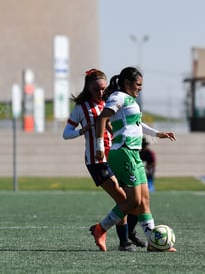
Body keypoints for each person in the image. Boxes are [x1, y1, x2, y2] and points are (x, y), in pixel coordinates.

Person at [90, 66, 177, 252]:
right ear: (127, 83)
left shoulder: (130, 101)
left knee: (144, 200)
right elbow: (101, 119)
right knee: (133, 202)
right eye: (138, 84)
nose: (141, 88)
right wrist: (99, 146)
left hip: (133, 154)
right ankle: (100, 229)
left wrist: (158, 134)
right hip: (123, 152)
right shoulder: (118, 97)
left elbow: (137, 123)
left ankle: (153, 242)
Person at [62, 69, 146, 251]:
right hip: (97, 161)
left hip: (118, 157)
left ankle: (128, 234)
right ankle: (121, 239)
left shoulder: (112, 102)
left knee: (134, 200)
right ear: (88, 88)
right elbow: (65, 134)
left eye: (103, 89)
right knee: (123, 199)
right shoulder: (81, 109)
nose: (100, 92)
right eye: (96, 89)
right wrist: (80, 131)